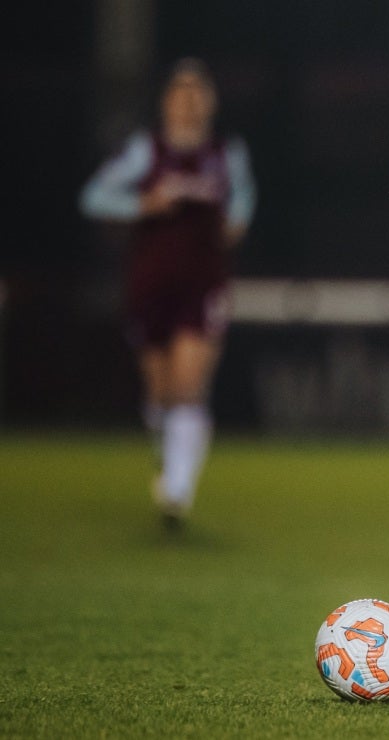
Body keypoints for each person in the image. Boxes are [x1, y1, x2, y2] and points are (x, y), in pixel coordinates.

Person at [80, 57, 257, 529]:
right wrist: (143, 203)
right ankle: (168, 459)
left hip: (202, 285)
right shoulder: (147, 151)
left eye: (198, 90)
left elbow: (243, 197)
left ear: (210, 100)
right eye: (181, 90)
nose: (190, 99)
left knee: (187, 385)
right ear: (167, 100)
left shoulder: (224, 153)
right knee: (159, 391)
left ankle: (177, 493)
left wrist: (237, 220)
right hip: (151, 283)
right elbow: (94, 196)